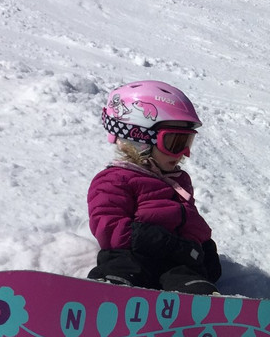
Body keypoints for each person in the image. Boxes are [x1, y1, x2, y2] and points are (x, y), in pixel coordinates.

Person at [88, 80, 221, 295]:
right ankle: (111, 292)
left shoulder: (179, 182)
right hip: (132, 255)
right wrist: (156, 239)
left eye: (187, 142)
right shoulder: (114, 179)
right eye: (174, 142)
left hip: (176, 264)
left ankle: (198, 306)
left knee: (189, 280)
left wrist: (205, 247)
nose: (183, 153)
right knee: (120, 266)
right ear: (139, 139)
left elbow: (191, 223)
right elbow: (108, 227)